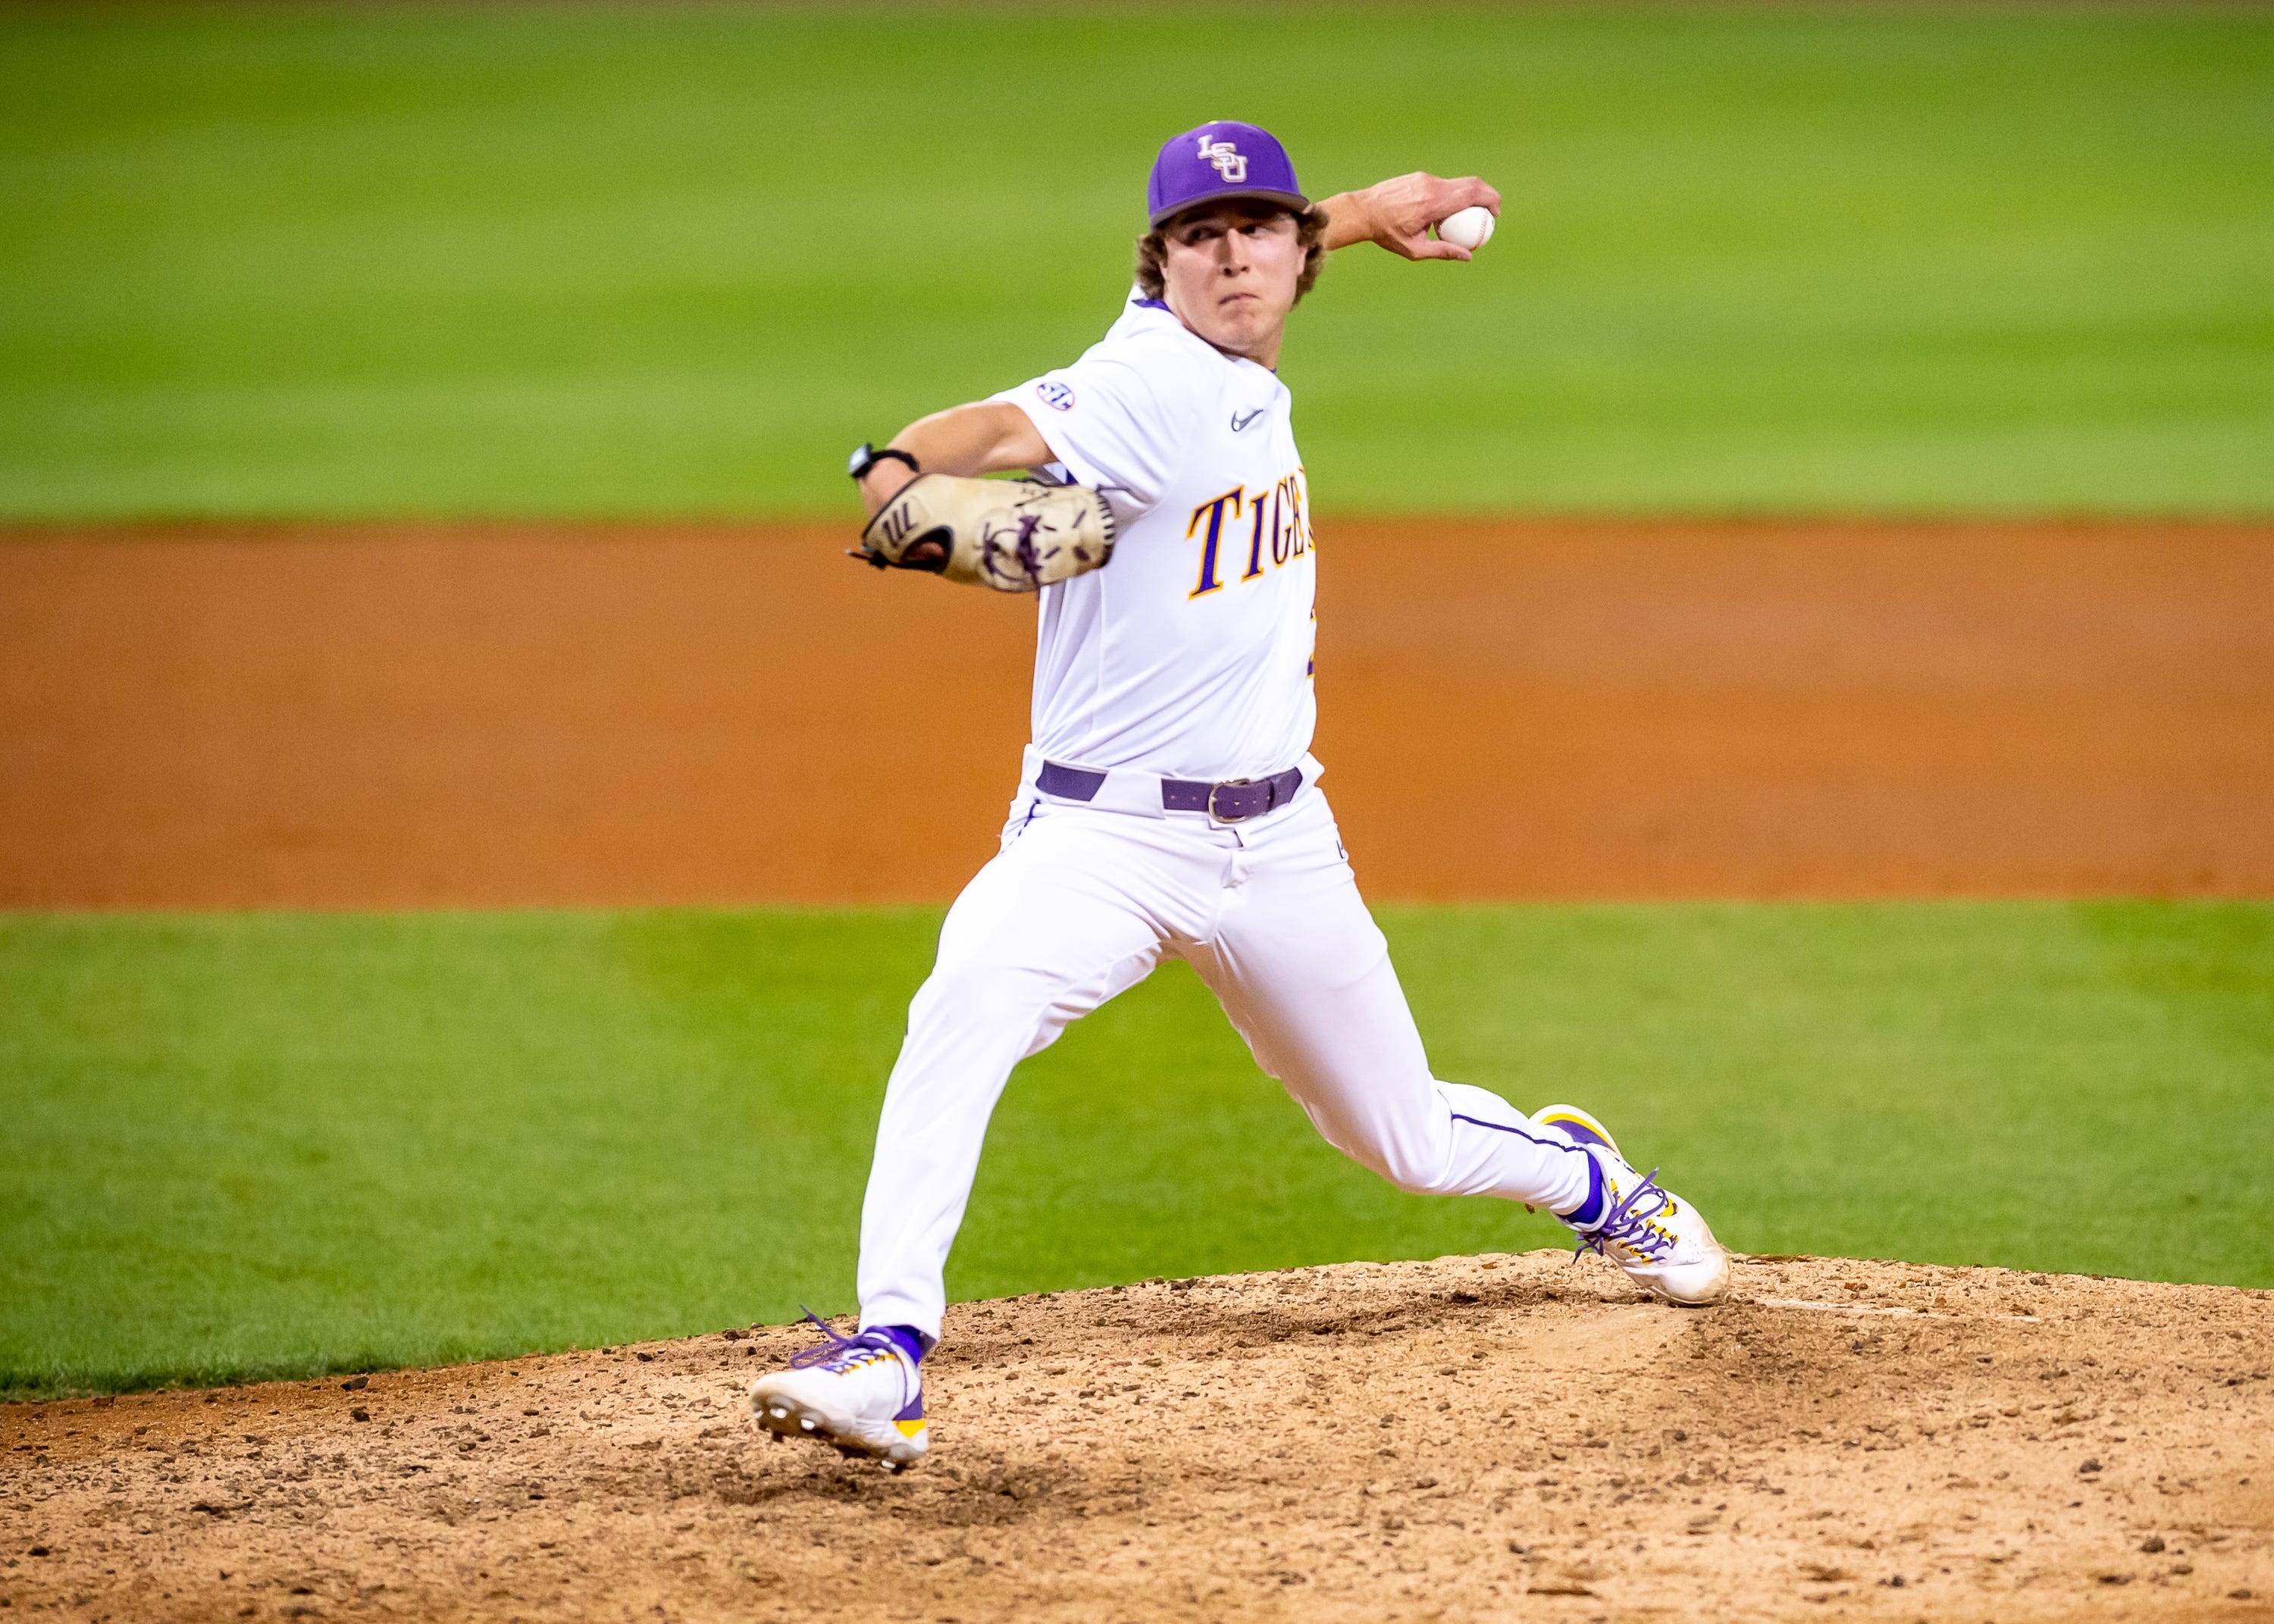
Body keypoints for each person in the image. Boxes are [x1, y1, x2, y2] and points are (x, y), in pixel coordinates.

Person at [750, 120, 1730, 1472]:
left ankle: (1590, 1180)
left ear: (1292, 251)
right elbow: (989, 426)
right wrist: (897, 471)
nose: (1235, 258)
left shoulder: (1244, 335)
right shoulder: (1148, 380)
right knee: (964, 999)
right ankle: (888, 1352)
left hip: (1280, 843)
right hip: (1104, 838)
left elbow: (1273, 251)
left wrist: (1363, 211)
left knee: (1404, 1139)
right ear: (1156, 268)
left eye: (1257, 231)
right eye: (1199, 239)